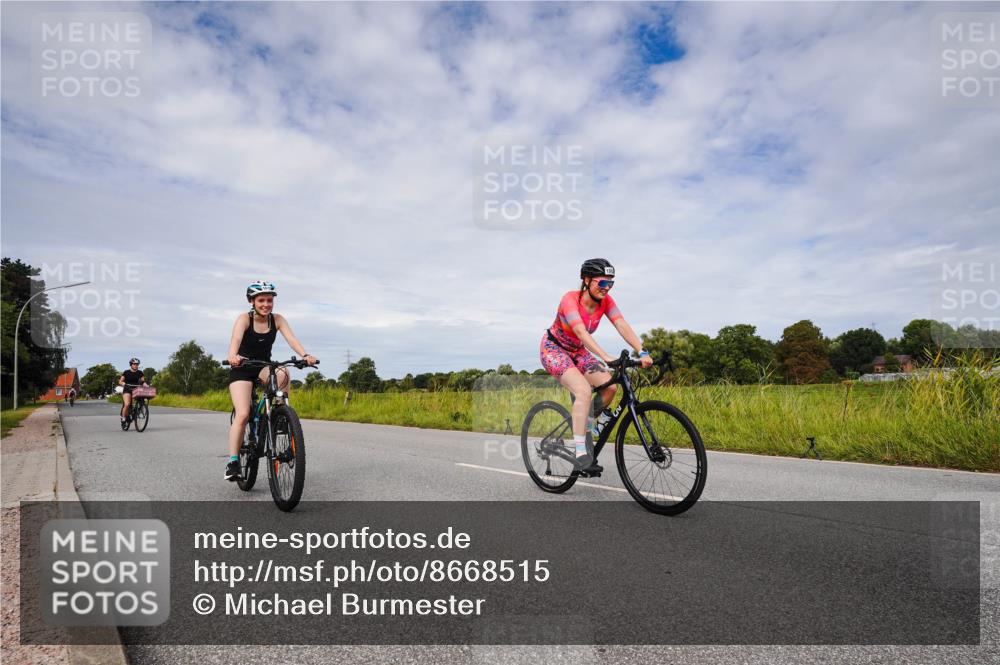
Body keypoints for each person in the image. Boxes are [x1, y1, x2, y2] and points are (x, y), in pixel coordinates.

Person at [540, 259, 652, 471]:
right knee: (583, 390)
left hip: (578, 351)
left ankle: (585, 426)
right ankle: (580, 451)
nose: (606, 288)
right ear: (587, 280)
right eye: (602, 283)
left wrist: (642, 350)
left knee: (610, 387)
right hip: (554, 349)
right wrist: (606, 356)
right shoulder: (570, 299)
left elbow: (621, 324)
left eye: (611, 283)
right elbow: (580, 332)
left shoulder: (605, 301)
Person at [225, 280, 317, 481]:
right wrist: (232, 356)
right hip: (242, 368)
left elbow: (291, 339)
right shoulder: (244, 319)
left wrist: (305, 355)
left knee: (283, 372)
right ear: (252, 301)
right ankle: (233, 462)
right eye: (261, 300)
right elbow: (236, 340)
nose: (266, 304)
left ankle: (280, 415)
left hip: (263, 366)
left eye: (269, 300)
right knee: (243, 414)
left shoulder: (277, 320)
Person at [118, 358, 146, 424]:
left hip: (136, 390)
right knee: (127, 404)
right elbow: (120, 381)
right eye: (134, 364)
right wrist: (124, 384)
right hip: (127, 389)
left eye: (137, 364)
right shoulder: (126, 372)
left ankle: (137, 411)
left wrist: (146, 385)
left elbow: (143, 382)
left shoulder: (140, 372)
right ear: (131, 365)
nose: (136, 365)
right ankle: (123, 417)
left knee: (142, 400)